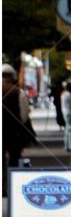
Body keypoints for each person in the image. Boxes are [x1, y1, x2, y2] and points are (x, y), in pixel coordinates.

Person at [3, 64, 34, 197]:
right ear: (12, 76)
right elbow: (24, 113)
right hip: (12, 132)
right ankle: (12, 185)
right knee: (14, 158)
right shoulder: (18, 92)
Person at [61, 82, 71, 152]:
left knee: (67, 129)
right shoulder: (70, 95)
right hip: (70, 113)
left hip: (65, 113)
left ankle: (66, 145)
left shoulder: (63, 94)